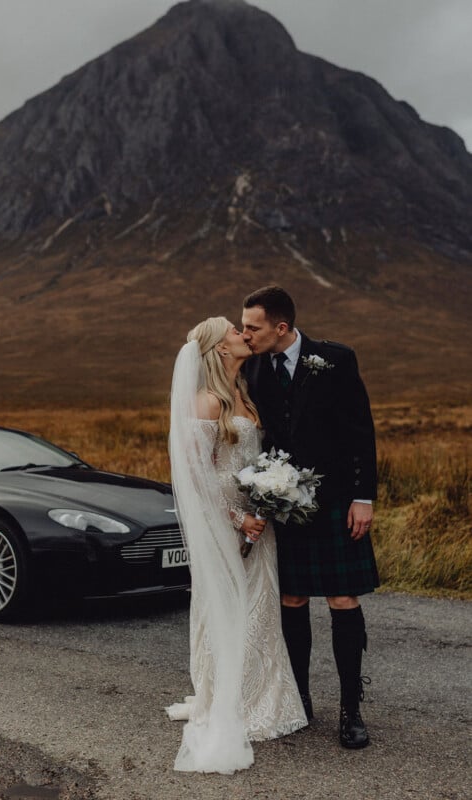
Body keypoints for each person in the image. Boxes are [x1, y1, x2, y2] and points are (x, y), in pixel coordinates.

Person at [166, 316, 307, 774]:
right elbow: (195, 477)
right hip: (228, 525)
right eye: (233, 330)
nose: (242, 334)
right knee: (227, 608)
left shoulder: (243, 395)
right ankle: (232, 703)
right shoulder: (206, 403)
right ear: (219, 350)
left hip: (256, 523)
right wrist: (237, 518)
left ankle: (266, 699)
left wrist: (270, 494)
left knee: (257, 607)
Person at [242, 285, 379, 749]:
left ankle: (350, 711)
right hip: (285, 504)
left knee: (343, 599)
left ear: (281, 327)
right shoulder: (254, 368)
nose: (246, 334)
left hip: (337, 498)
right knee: (292, 601)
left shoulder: (335, 359)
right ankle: (300, 700)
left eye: (252, 327)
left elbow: (362, 430)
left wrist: (364, 497)